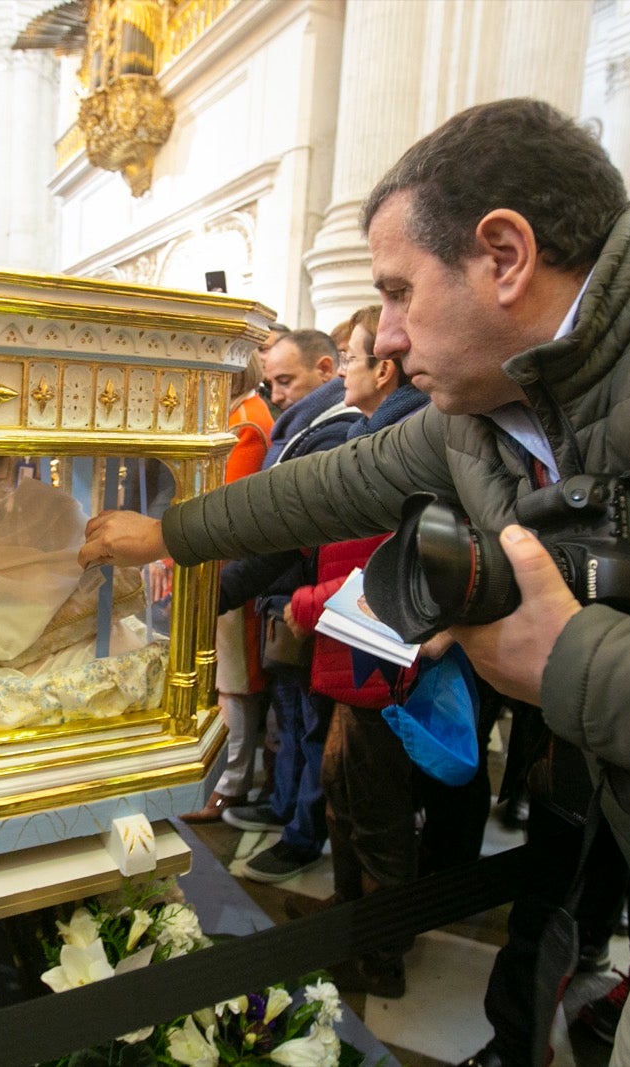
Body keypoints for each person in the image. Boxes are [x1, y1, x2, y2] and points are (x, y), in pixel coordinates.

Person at [80, 97, 630, 1066]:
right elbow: (326, 487)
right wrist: (168, 532)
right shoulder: (482, 414)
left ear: (503, 255)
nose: (388, 336)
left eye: (400, 292)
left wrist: (578, 664)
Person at [280, 305, 428, 996]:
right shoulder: (376, 431)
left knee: (377, 817)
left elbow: (387, 562)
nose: (342, 367)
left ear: (385, 368)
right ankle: (352, 917)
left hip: (375, 661)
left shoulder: (399, 439)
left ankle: (379, 953)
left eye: (353, 355)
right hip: (352, 660)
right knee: (346, 799)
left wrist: (308, 604)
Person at [217, 328, 358, 883]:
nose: (274, 393)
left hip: (307, 593)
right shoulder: (299, 425)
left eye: (285, 380)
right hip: (286, 592)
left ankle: (302, 833)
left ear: (327, 370)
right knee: (290, 716)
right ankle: (282, 807)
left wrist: (222, 585)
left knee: (310, 726)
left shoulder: (334, 429)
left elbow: (290, 525)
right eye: (270, 381)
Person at [180, 349, 275, 823]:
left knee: (235, 681)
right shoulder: (240, 415)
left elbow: (224, 504)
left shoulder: (248, 423)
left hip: (232, 567)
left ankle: (231, 784)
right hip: (222, 564)